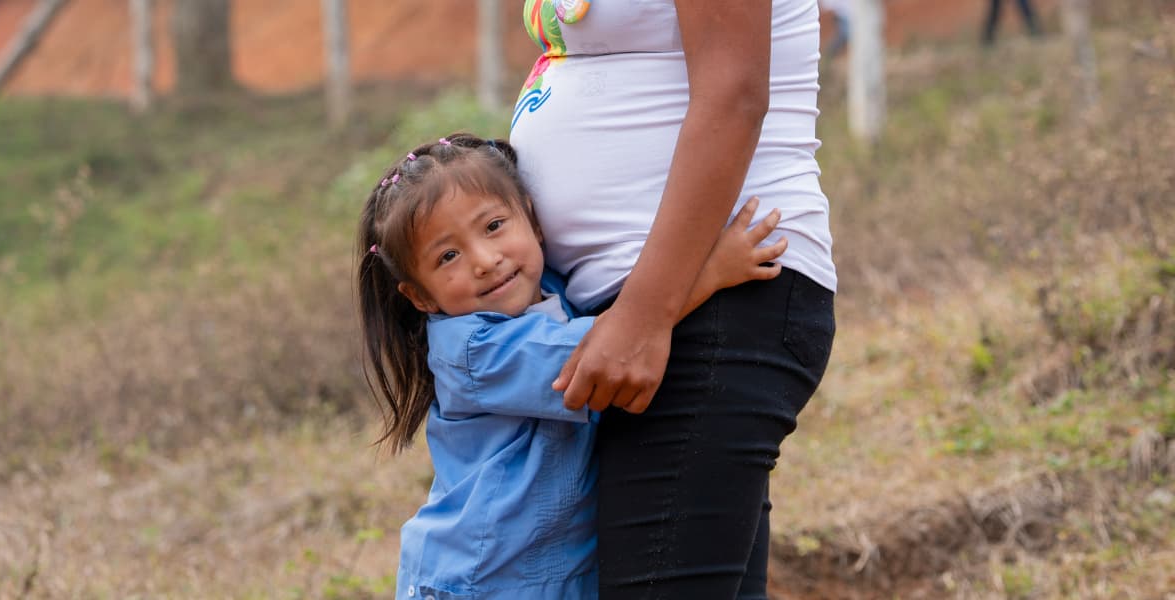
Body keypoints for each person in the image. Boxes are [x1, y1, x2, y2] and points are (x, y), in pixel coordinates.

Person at [358, 133, 787, 599]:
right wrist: (709, 273)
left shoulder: (551, 291)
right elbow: (605, 350)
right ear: (421, 296)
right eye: (448, 256)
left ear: (533, 219)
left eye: (495, 225)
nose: (485, 260)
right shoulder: (473, 350)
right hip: (479, 581)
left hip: (547, 576)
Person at [509, 0, 837, 597]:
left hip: (710, 297)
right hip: (650, 310)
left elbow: (734, 94)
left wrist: (642, 316)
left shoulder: (654, 315)